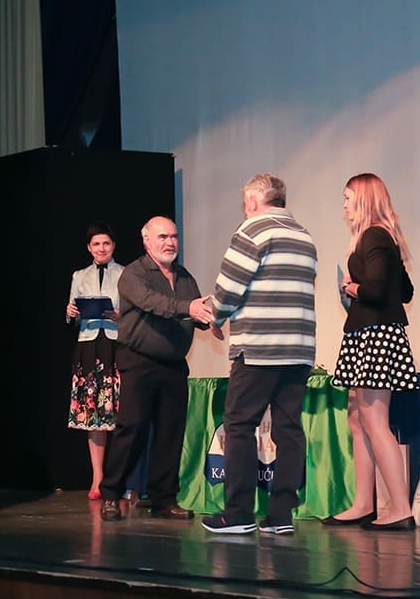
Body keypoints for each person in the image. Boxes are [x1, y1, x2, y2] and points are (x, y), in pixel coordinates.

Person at [201, 174, 318, 535]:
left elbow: (229, 287)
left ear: (253, 201)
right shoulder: (304, 236)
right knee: (289, 428)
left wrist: (215, 316)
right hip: (298, 349)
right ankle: (281, 515)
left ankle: (238, 514)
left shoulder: (251, 231)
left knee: (239, 425)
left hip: (259, 348)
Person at [98, 216, 219, 521]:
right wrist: (189, 308)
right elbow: (153, 303)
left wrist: (209, 319)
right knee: (132, 429)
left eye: (174, 237)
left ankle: (164, 499)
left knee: (170, 433)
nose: (170, 242)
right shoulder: (133, 274)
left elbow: (192, 311)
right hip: (139, 362)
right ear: (147, 241)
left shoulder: (185, 276)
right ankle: (111, 494)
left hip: (174, 365)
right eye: (163, 237)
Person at [326, 173, 418, 531]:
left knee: (375, 421)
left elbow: (378, 291)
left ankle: (400, 508)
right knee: (357, 417)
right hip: (367, 334)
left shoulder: (374, 236)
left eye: (347, 198)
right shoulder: (382, 237)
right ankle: (364, 503)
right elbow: (405, 291)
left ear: (363, 200)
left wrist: (352, 287)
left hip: (375, 335)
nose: (344, 205)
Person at [65, 224, 124, 501]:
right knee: (94, 416)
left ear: (113, 246)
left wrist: (120, 315)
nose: (102, 248)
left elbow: (133, 314)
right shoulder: (79, 275)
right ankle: (97, 477)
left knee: (120, 412)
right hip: (89, 346)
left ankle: (121, 477)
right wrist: (71, 312)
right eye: (96, 244)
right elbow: (73, 317)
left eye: (106, 243)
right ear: (89, 248)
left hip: (116, 345)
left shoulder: (125, 273)